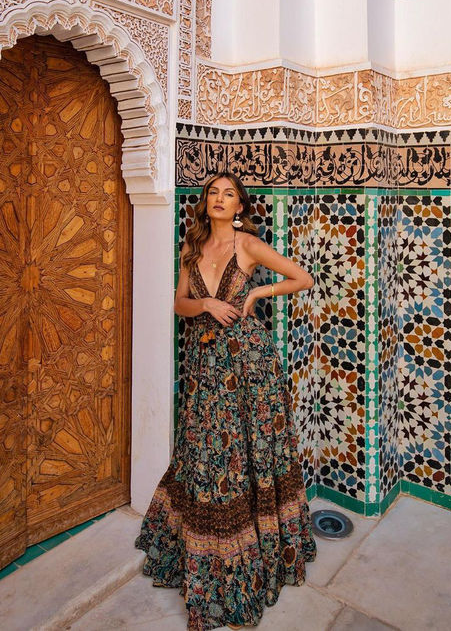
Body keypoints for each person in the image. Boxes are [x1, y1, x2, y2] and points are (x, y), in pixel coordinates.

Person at [135, 172, 317, 630]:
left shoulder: (248, 245)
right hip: (206, 367)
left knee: (248, 456)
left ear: (240, 206)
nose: (219, 199)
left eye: (228, 194)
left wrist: (257, 291)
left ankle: (252, 557)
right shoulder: (191, 247)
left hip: (250, 366)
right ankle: (204, 560)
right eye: (213, 193)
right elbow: (179, 302)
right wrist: (206, 306)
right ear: (205, 203)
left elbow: (302, 277)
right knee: (208, 456)